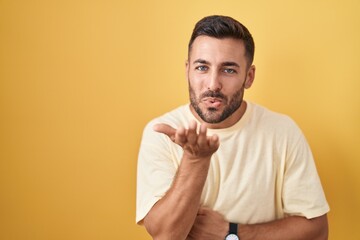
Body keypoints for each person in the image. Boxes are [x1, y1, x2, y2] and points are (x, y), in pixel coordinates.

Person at [136, 15, 329, 240]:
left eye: (228, 70)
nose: (212, 84)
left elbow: (317, 232)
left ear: (249, 76)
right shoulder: (161, 132)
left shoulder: (283, 131)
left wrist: (232, 233)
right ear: (188, 69)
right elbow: (165, 236)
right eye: (202, 67)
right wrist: (195, 160)